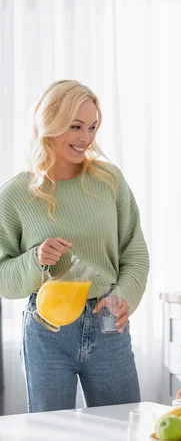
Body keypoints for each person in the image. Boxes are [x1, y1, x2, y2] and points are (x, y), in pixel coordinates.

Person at [0, 80, 149, 413]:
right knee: (51, 437)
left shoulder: (109, 181)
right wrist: (36, 258)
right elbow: (3, 277)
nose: (86, 138)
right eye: (75, 126)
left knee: (122, 429)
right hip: (48, 330)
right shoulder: (15, 195)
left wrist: (123, 297)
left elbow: (134, 252)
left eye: (93, 127)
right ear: (49, 124)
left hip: (108, 322)